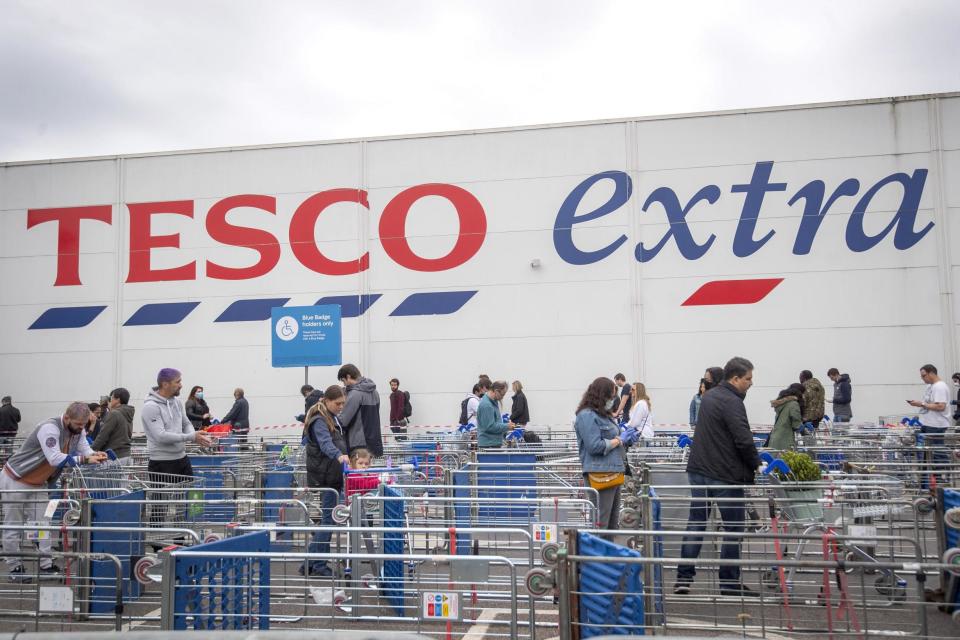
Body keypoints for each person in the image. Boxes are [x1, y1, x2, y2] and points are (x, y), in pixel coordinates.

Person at [675, 357, 762, 598]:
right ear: (735, 378)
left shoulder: (709, 397)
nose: (750, 383)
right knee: (733, 527)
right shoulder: (732, 401)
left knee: (696, 522)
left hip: (699, 469)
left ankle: (683, 578)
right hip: (724, 473)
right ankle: (729, 582)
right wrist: (757, 464)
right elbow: (742, 438)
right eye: (748, 379)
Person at [2, 402, 107, 581]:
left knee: (43, 524)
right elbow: (54, 458)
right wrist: (85, 459)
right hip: (16, 478)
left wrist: (95, 454)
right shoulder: (49, 428)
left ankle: (45, 564)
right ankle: (14, 567)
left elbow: (85, 449)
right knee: (13, 524)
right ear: (66, 418)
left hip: (40, 483)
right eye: (78, 425)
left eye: (84, 425)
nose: (82, 429)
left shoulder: (78, 430)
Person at [573, 377, 636, 530]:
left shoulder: (605, 415)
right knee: (601, 523)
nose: (613, 400)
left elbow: (616, 438)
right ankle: (598, 553)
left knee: (612, 524)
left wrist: (628, 438)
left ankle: (608, 553)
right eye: (611, 396)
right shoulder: (586, 416)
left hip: (614, 471)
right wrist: (619, 440)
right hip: (600, 473)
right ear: (602, 395)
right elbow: (594, 446)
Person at [303, 385, 349, 577]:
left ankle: (310, 563)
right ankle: (318, 564)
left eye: (343, 404)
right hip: (326, 476)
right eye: (338, 403)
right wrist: (340, 456)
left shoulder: (331, 418)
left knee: (327, 521)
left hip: (332, 475)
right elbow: (325, 444)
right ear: (327, 401)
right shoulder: (319, 421)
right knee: (328, 521)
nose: (341, 407)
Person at [142, 368, 213, 492]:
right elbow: (160, 436)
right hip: (161, 463)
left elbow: (185, 423)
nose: (181, 385)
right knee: (160, 508)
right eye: (178, 382)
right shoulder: (151, 406)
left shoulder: (177, 402)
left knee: (189, 505)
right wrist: (191, 437)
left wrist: (194, 435)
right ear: (165, 384)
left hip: (182, 459)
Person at [908, 364, 952, 476]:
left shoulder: (940, 387)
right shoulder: (930, 386)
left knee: (937, 451)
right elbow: (930, 404)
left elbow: (940, 406)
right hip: (928, 423)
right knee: (929, 452)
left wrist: (921, 404)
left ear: (931, 373)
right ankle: (931, 477)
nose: (922, 378)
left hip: (937, 425)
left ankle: (943, 477)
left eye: (924, 376)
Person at [337, 364, 382, 457]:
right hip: (374, 442)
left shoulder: (355, 394)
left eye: (343, 381)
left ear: (348, 376)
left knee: (357, 471)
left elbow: (343, 421)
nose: (344, 384)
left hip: (358, 444)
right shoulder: (375, 392)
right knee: (370, 471)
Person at [92, 387, 134, 462]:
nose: (110, 401)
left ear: (118, 399)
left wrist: (91, 451)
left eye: (112, 398)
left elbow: (103, 435)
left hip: (114, 456)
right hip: (126, 455)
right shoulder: (127, 413)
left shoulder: (114, 414)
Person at [767, 384, 803, 451]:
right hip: (785, 440)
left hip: (774, 438)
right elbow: (796, 424)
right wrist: (804, 429)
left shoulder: (781, 405)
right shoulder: (794, 404)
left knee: (776, 459)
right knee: (785, 460)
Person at [477, 381, 512, 448]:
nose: (502, 397)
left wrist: (506, 425)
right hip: (489, 445)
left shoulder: (492, 403)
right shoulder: (487, 405)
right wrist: (507, 426)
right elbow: (490, 427)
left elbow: (494, 422)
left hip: (492, 443)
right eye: (502, 394)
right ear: (496, 391)